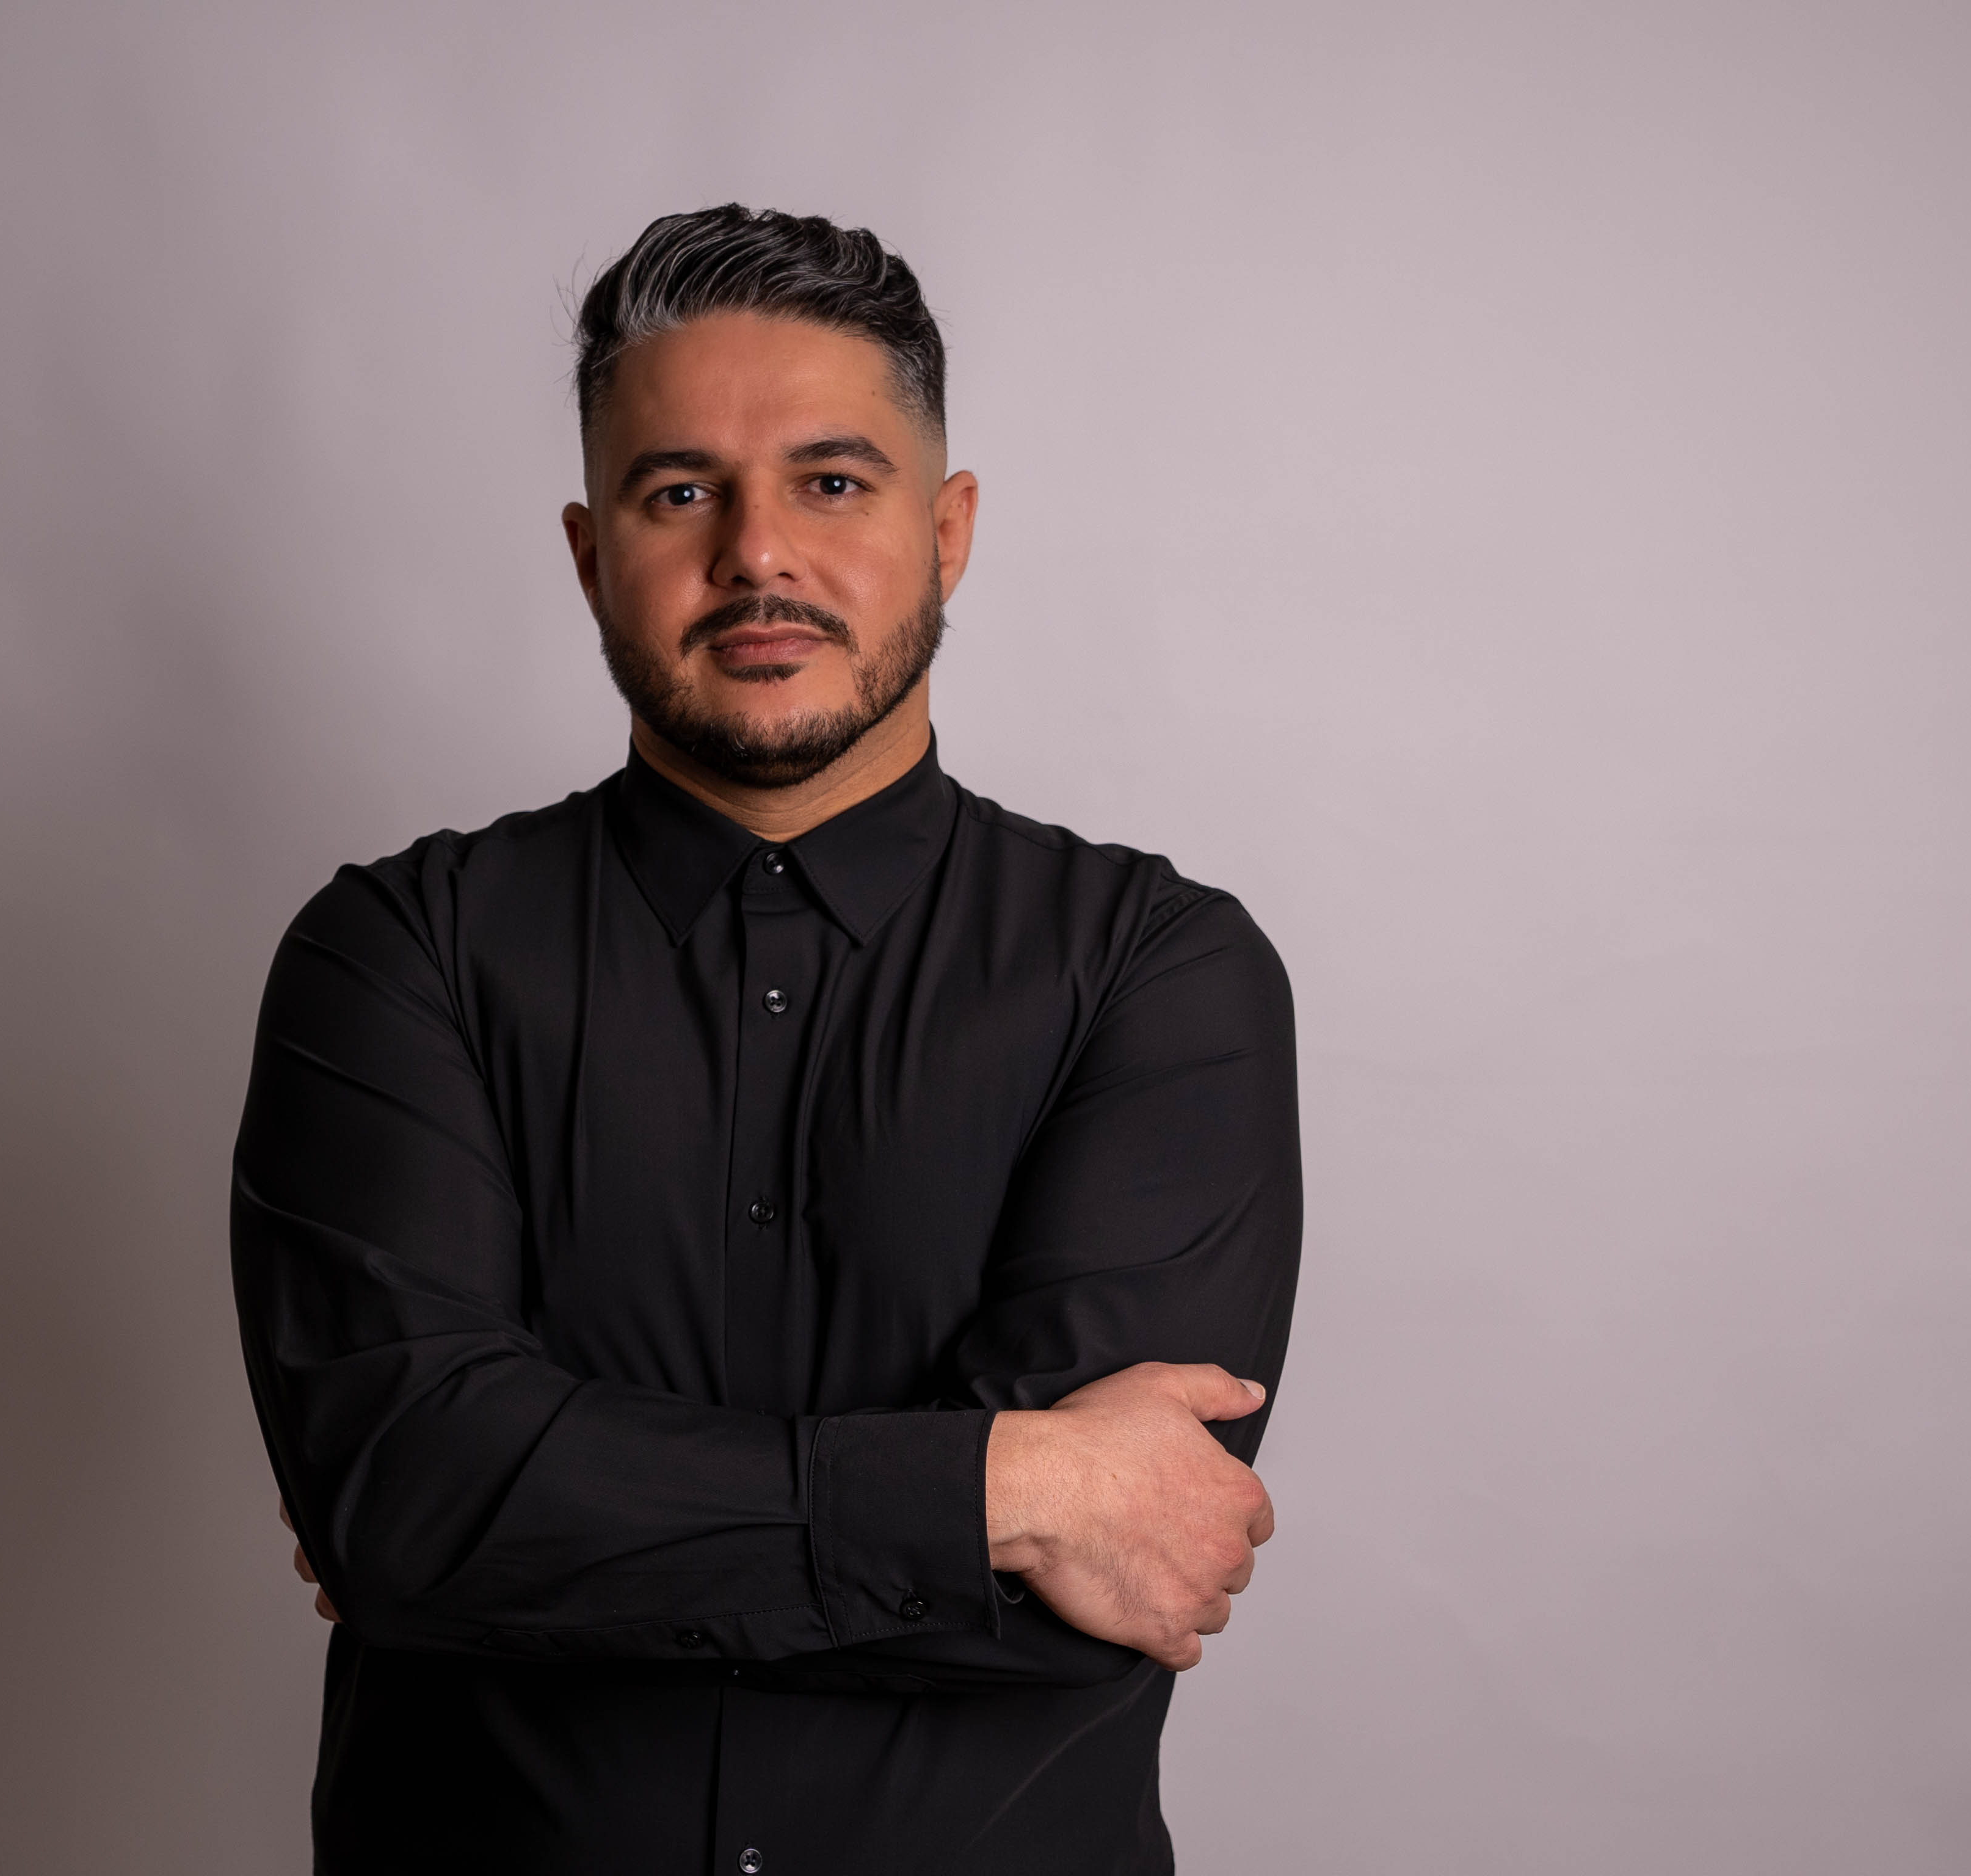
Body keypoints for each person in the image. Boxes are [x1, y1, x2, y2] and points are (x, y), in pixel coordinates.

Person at [230, 204, 1301, 1874]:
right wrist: (999, 1496)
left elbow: (1100, 1593)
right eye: (680, 493)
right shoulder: (398, 954)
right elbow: (412, 1513)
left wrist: (538, 1535)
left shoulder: (1156, 973)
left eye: (833, 482)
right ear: (589, 553)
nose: (757, 555)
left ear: (948, 528)